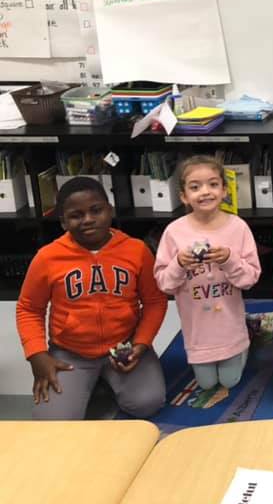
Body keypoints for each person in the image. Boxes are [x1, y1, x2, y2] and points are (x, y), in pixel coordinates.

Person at [16, 177, 167, 419]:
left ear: (109, 210)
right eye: (76, 215)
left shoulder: (136, 250)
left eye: (96, 210)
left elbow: (155, 302)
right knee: (52, 422)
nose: (87, 219)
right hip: (70, 352)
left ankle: (102, 382)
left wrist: (141, 343)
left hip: (123, 345)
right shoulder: (47, 257)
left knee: (147, 403)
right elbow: (29, 309)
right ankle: (92, 382)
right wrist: (37, 355)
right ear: (64, 222)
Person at [155, 156, 261, 391]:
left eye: (213, 184)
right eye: (195, 187)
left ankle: (246, 338)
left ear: (224, 190)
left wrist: (229, 259)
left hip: (229, 326)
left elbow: (250, 279)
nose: (205, 192)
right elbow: (164, 284)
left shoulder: (238, 227)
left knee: (229, 381)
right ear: (183, 196)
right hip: (198, 330)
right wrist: (178, 264)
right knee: (207, 384)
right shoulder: (174, 232)